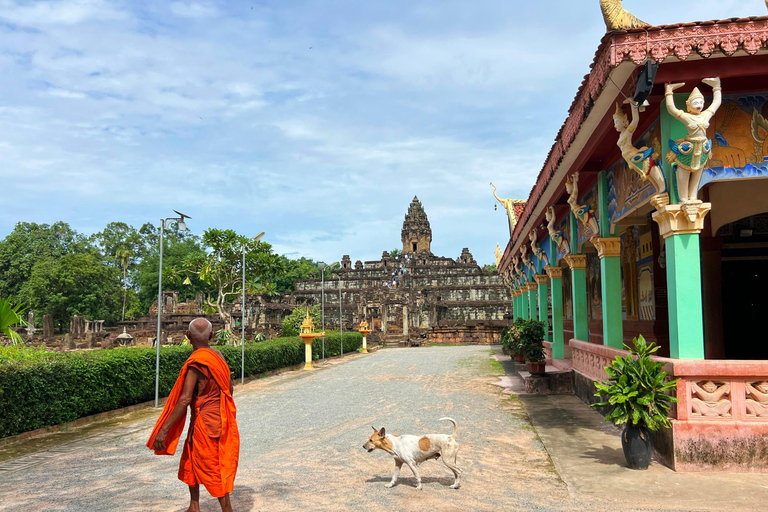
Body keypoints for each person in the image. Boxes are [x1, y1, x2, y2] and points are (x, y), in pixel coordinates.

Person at [147, 318, 240, 512]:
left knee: (212, 465)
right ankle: (194, 505)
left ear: (187, 336)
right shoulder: (218, 356)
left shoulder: (196, 364)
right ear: (212, 336)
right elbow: (229, 388)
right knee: (191, 457)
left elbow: (184, 399)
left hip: (205, 422)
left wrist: (164, 430)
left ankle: (227, 509)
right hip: (216, 418)